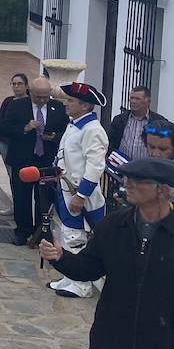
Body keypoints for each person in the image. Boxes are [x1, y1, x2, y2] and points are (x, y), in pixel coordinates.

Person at [40, 157, 174, 349]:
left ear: (163, 190)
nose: (128, 185)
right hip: (112, 342)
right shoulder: (114, 226)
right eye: (127, 178)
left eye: (138, 181)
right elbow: (89, 267)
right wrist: (60, 257)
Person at [48, 82, 110, 299]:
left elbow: (95, 166)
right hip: (66, 189)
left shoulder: (93, 130)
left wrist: (81, 195)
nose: (66, 104)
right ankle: (70, 276)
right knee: (67, 232)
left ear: (84, 106)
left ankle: (81, 284)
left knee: (76, 236)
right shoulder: (75, 124)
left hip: (80, 194)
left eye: (71, 101)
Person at [1, 76, 68, 247]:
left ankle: (41, 232)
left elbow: (66, 133)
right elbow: (5, 129)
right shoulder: (17, 106)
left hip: (45, 160)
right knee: (21, 197)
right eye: (38, 97)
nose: (42, 100)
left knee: (43, 198)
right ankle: (22, 231)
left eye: (45, 97)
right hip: (22, 159)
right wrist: (25, 128)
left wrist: (53, 136)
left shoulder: (58, 108)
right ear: (31, 93)